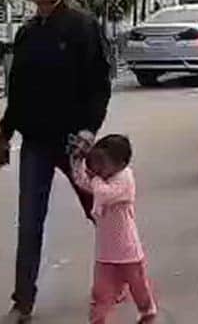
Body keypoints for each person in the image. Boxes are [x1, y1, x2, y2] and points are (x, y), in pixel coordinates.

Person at [0, 0, 113, 322]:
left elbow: (99, 84)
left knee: (104, 212)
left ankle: (122, 276)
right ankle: (23, 302)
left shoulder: (82, 27)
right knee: (29, 222)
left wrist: (90, 131)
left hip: (76, 144)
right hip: (35, 144)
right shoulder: (27, 33)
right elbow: (18, 92)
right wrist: (4, 135)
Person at [69, 134, 158, 324]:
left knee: (138, 286)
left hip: (128, 251)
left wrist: (93, 178)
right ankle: (98, 319)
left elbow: (103, 193)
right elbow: (83, 183)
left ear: (121, 164)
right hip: (105, 252)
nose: (99, 168)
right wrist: (77, 161)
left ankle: (147, 311)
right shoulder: (102, 179)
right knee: (101, 292)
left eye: (103, 163)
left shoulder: (125, 180)